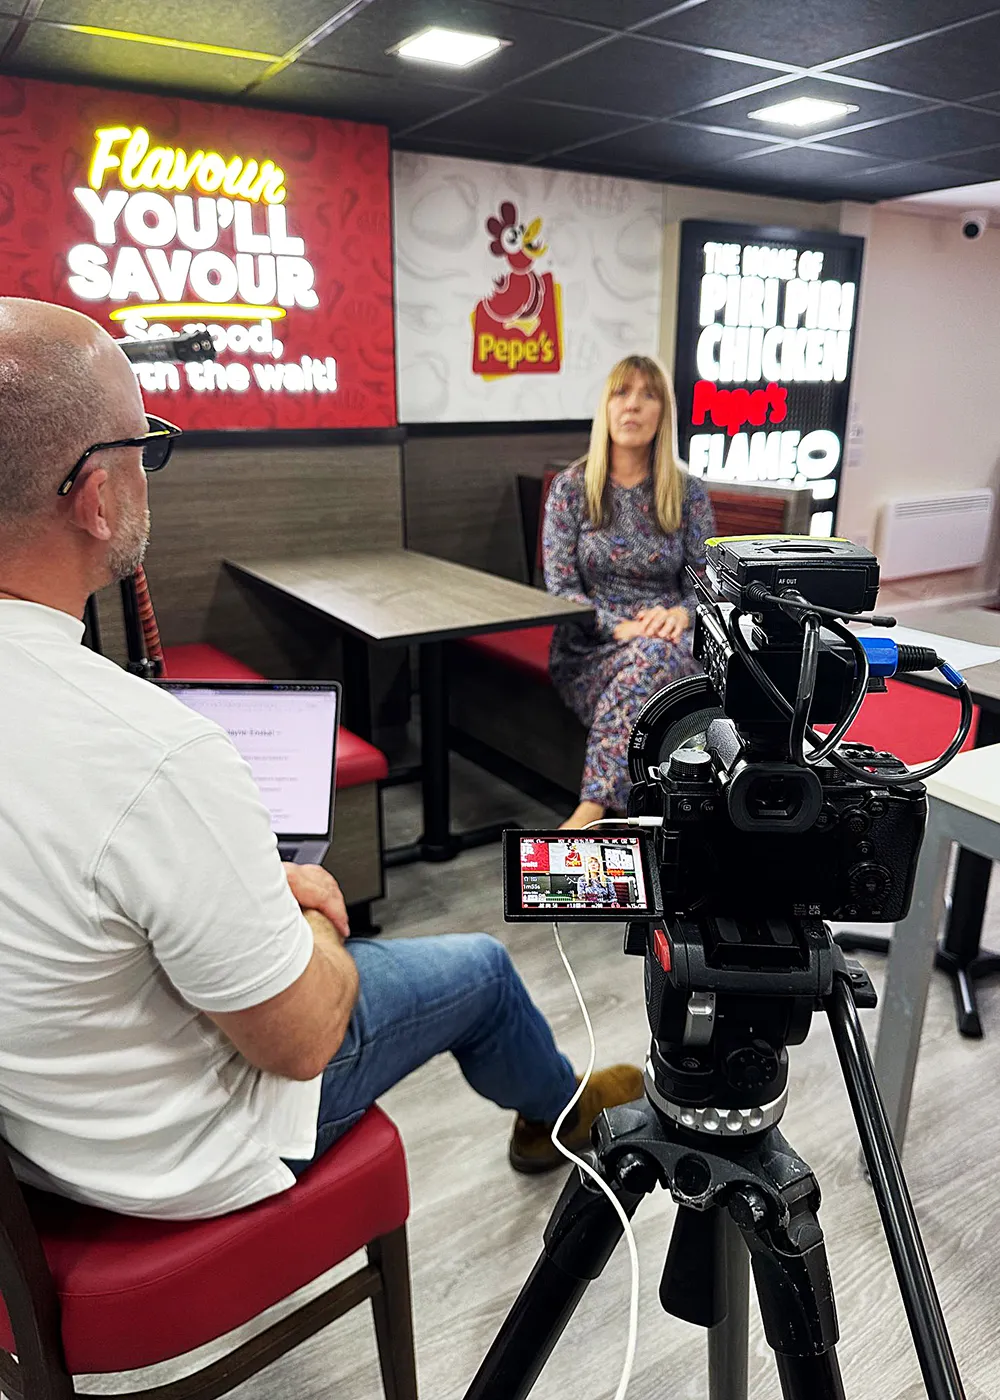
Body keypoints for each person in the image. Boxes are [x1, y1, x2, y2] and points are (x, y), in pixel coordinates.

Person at [0, 298, 644, 1218]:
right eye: (148, 446)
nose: (153, 469)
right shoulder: (159, 754)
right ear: (97, 500)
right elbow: (300, 1041)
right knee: (486, 969)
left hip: (39, 1134)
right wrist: (310, 918)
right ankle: (560, 1114)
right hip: (181, 1152)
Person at [543, 354, 716, 829]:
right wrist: (618, 627)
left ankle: (596, 810)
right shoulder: (572, 488)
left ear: (663, 413)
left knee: (658, 657)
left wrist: (681, 615)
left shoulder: (688, 493)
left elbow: (705, 588)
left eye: (648, 395)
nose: (633, 406)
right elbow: (560, 589)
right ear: (606, 406)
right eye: (622, 393)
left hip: (671, 639)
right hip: (590, 644)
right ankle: (629, 814)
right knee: (654, 662)